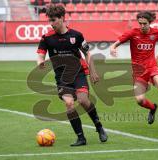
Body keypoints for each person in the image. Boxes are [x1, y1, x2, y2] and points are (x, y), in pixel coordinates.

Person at [36, 4, 108, 146]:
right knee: (69, 104)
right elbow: (40, 54)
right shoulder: (46, 38)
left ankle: (99, 126)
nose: (51, 24)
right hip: (62, 78)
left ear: (62, 18)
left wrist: (93, 72)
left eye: (53, 20)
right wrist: (40, 62)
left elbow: (87, 53)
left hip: (78, 74)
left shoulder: (76, 35)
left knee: (83, 101)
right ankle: (81, 138)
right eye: (49, 21)